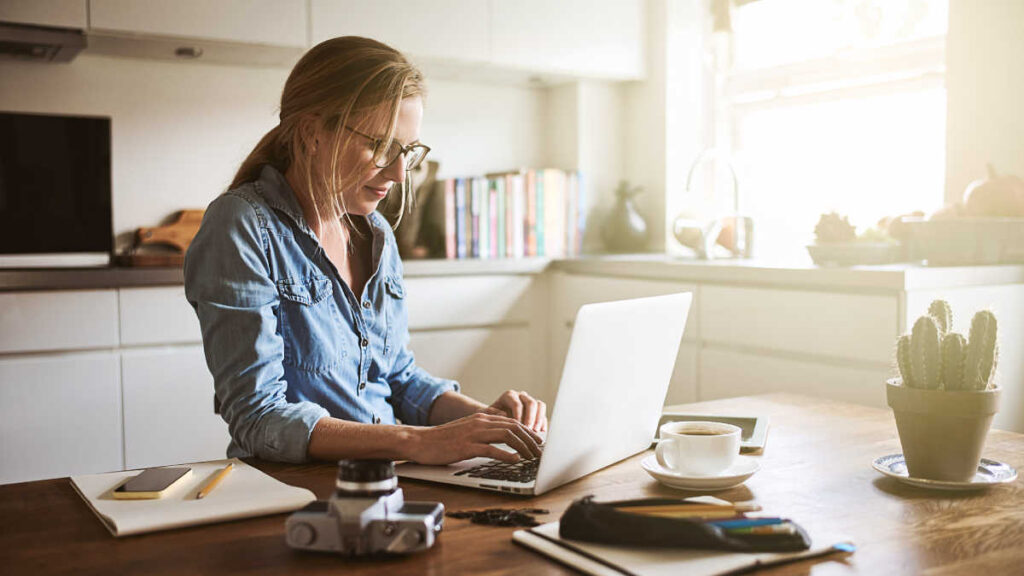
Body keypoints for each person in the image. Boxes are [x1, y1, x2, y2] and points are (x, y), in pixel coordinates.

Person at [184, 36, 546, 466]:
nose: (398, 172)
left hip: (390, 479)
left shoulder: (376, 235)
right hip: (294, 490)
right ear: (312, 133)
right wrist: (416, 442)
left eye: (407, 152)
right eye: (380, 147)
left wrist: (489, 422)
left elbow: (398, 379)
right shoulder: (242, 226)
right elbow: (258, 416)